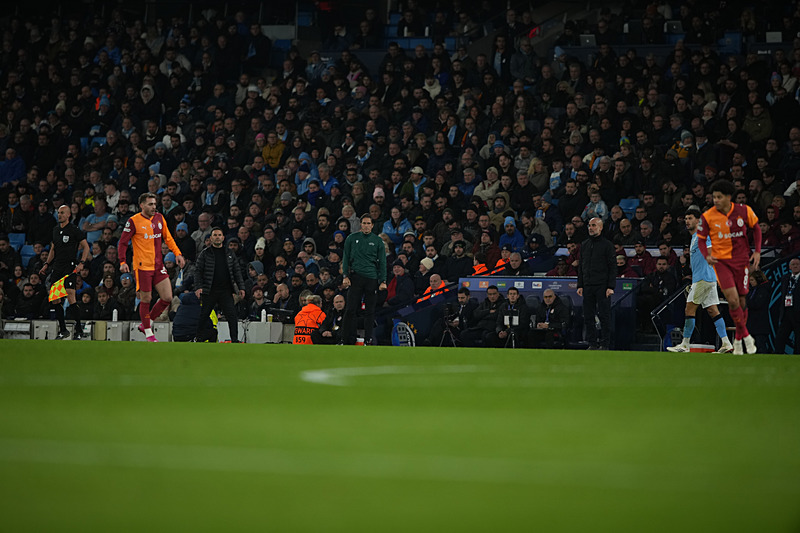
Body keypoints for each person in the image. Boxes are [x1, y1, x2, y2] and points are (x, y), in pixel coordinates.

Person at [697, 180, 761, 354]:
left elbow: (756, 228)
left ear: (728, 197)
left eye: (719, 197)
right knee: (732, 300)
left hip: (741, 261)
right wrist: (707, 256)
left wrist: (757, 251)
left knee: (741, 301)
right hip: (721, 262)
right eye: (714, 197)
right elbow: (701, 240)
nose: (715, 200)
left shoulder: (744, 211)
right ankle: (745, 336)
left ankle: (738, 338)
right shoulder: (708, 216)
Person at [118, 193, 186, 342]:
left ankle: (146, 323)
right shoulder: (133, 221)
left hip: (158, 265)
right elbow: (122, 242)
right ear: (142, 205)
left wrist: (178, 254)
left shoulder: (159, 218)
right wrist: (123, 261)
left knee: (167, 297)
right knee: (146, 298)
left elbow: (168, 238)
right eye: (150, 204)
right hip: (142, 266)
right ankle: (149, 332)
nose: (154, 207)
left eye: (155, 204)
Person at [668, 206, 733, 353]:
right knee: (713, 310)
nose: (687, 221)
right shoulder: (694, 238)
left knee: (689, 309)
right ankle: (726, 343)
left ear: (698, 221)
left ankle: (685, 344)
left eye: (690, 218)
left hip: (703, 279)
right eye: (686, 219)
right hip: (707, 279)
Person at [40, 205, 91, 339]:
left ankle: (79, 330)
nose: (59, 215)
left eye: (62, 213)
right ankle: (63, 330)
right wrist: (46, 264)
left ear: (68, 215)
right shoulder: (56, 230)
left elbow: (86, 247)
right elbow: (53, 249)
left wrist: (82, 263)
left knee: (70, 295)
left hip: (70, 266)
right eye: (58, 213)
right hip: (57, 266)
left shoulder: (74, 229)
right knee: (55, 298)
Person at [194, 227, 246, 343]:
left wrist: (241, 287)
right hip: (209, 290)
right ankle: (198, 338)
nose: (217, 237)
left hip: (225, 291)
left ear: (223, 238)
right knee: (204, 315)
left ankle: (234, 339)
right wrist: (198, 287)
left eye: (219, 235)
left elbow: (237, 271)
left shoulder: (230, 253)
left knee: (232, 315)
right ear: (211, 238)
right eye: (215, 235)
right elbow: (198, 271)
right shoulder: (205, 253)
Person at [341, 213, 387, 345]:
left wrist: (383, 280)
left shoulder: (378, 241)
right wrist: (345, 275)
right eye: (364, 223)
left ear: (372, 226)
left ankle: (368, 339)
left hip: (371, 279)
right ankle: (344, 339)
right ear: (360, 224)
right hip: (355, 277)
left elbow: (382, 262)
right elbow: (346, 257)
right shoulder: (351, 238)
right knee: (350, 309)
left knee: (369, 311)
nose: (366, 226)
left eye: (368, 223)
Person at [576, 217, 615, 350]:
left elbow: (612, 267)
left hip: (602, 286)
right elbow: (581, 266)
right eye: (589, 225)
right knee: (588, 316)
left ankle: (605, 344)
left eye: (594, 225)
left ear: (601, 227)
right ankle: (592, 343)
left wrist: (610, 286)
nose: (591, 228)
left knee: (604, 316)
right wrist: (580, 284)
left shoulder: (607, 245)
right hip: (588, 285)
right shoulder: (584, 245)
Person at [774, 257, 800, 354]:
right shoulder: (785, 278)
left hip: (798, 313)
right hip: (786, 312)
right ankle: (778, 356)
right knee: (780, 337)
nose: (795, 266)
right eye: (793, 264)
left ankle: (797, 357)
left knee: (798, 339)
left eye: (797, 264)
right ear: (789, 267)